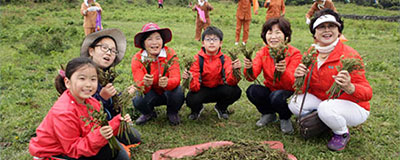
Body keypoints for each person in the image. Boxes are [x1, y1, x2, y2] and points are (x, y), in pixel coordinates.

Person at [288, 9, 372, 151]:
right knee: (294, 103)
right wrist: (299, 78)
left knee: (325, 108)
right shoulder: (311, 53)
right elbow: (301, 90)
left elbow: (367, 93)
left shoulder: (349, 55)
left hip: (354, 106)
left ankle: (341, 133)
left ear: (339, 31)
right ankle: (328, 123)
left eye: (331, 26)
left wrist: (350, 87)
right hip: (325, 101)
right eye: (321, 27)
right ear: (314, 33)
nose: (327, 30)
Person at [29, 57, 134, 160]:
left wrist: (118, 122)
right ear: (67, 83)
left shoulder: (91, 101)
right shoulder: (63, 112)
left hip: (79, 143)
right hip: (55, 152)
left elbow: (94, 129)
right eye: (82, 78)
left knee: (118, 153)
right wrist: (100, 135)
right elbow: (72, 149)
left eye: (93, 79)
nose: (88, 84)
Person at [80, 29, 141, 153]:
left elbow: (110, 105)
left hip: (107, 122)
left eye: (113, 51)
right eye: (104, 47)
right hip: (88, 128)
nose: (109, 53)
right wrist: (102, 98)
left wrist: (120, 113)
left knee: (134, 137)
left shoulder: (105, 76)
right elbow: (82, 110)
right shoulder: (82, 74)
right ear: (91, 51)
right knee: (119, 153)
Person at [243, 17, 301, 133]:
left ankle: (285, 118)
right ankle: (268, 114)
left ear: (286, 36)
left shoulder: (294, 53)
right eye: (269, 33)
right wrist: (248, 68)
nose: (273, 37)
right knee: (252, 90)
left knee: (277, 96)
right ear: (265, 36)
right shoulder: (263, 52)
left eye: (278, 33)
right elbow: (251, 78)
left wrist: (284, 71)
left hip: (288, 92)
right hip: (271, 89)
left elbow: (293, 82)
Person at [182, 26, 242, 120]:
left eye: (215, 39)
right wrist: (190, 78)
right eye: (208, 39)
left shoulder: (225, 59)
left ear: (220, 43)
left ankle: (221, 108)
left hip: (219, 88)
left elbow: (231, 82)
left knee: (235, 91)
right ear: (203, 43)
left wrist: (236, 71)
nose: (211, 42)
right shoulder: (196, 59)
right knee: (191, 99)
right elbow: (194, 87)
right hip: (202, 89)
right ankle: (196, 110)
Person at [131, 23, 184, 125]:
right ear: (143, 43)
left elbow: (176, 78)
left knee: (178, 91)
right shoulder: (138, 58)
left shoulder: (170, 54)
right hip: (150, 93)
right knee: (137, 97)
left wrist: (167, 82)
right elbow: (138, 83)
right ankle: (148, 113)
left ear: (162, 41)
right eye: (149, 39)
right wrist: (145, 83)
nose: (154, 42)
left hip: (167, 92)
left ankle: (172, 112)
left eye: (158, 38)